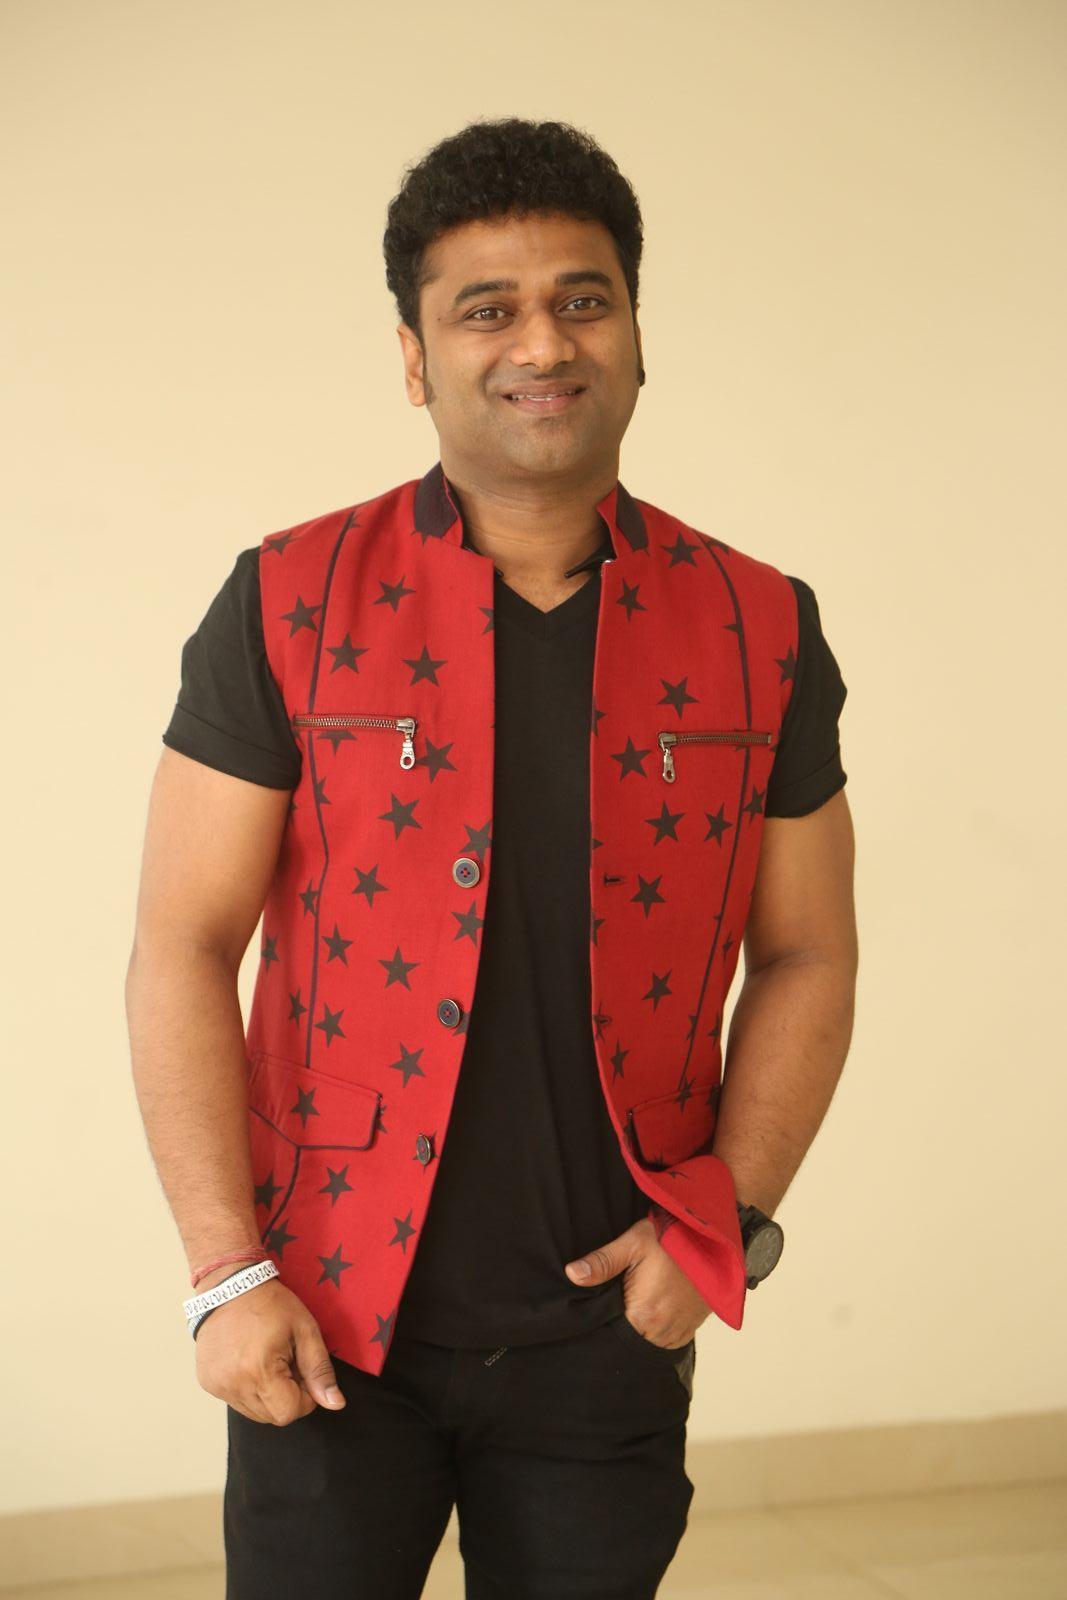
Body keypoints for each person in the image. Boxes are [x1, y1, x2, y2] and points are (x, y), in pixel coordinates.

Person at [126, 116, 858, 1600]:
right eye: (487, 308)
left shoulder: (761, 625)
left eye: (584, 299)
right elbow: (182, 946)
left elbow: (808, 952)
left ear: (637, 335)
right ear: (415, 357)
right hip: (326, 1319)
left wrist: (727, 1222)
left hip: (607, 1326)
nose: (543, 342)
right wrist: (224, 1272)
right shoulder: (287, 602)